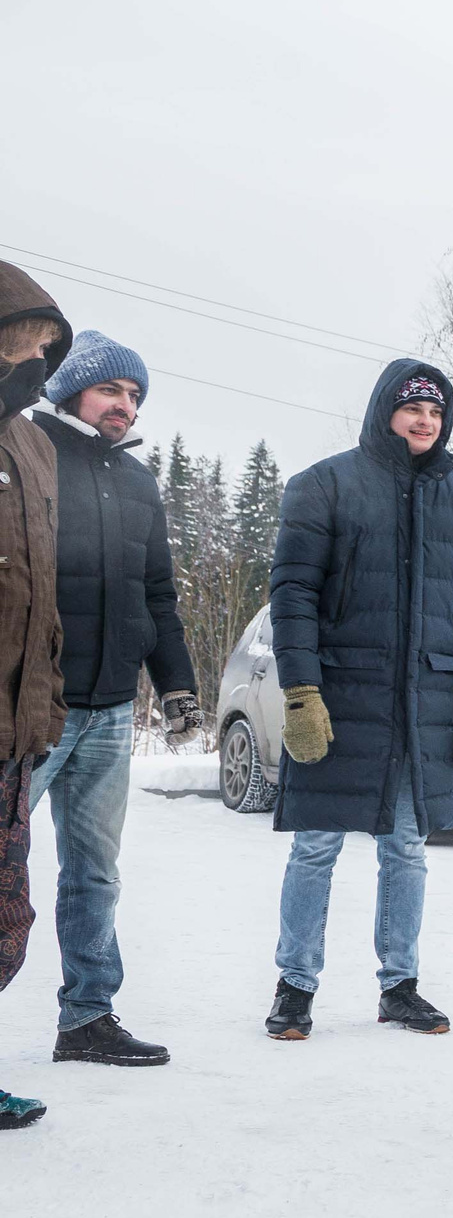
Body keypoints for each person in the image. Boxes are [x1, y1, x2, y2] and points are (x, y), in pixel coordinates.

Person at [262, 361, 453, 1041]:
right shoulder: (324, 485)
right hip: (340, 700)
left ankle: (401, 986)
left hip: (421, 702)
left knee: (407, 849)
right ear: (384, 411)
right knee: (315, 848)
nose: (426, 421)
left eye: (436, 411)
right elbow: (293, 595)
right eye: (412, 408)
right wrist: (301, 691)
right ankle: (294, 987)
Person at [29, 332, 197, 1072]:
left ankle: (88, 1015)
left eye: (134, 396)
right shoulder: (27, 452)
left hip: (107, 714)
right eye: (110, 391)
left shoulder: (138, 483)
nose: (124, 405)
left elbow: (155, 592)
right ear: (70, 390)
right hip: (32, 705)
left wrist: (179, 685)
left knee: (95, 869)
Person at [0, 261, 70, 1131]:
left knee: (6, 915)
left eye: (42, 352)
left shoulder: (36, 444)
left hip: (15, 730)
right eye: (19, 345)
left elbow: (42, 595)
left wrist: (44, 706)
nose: (31, 363)